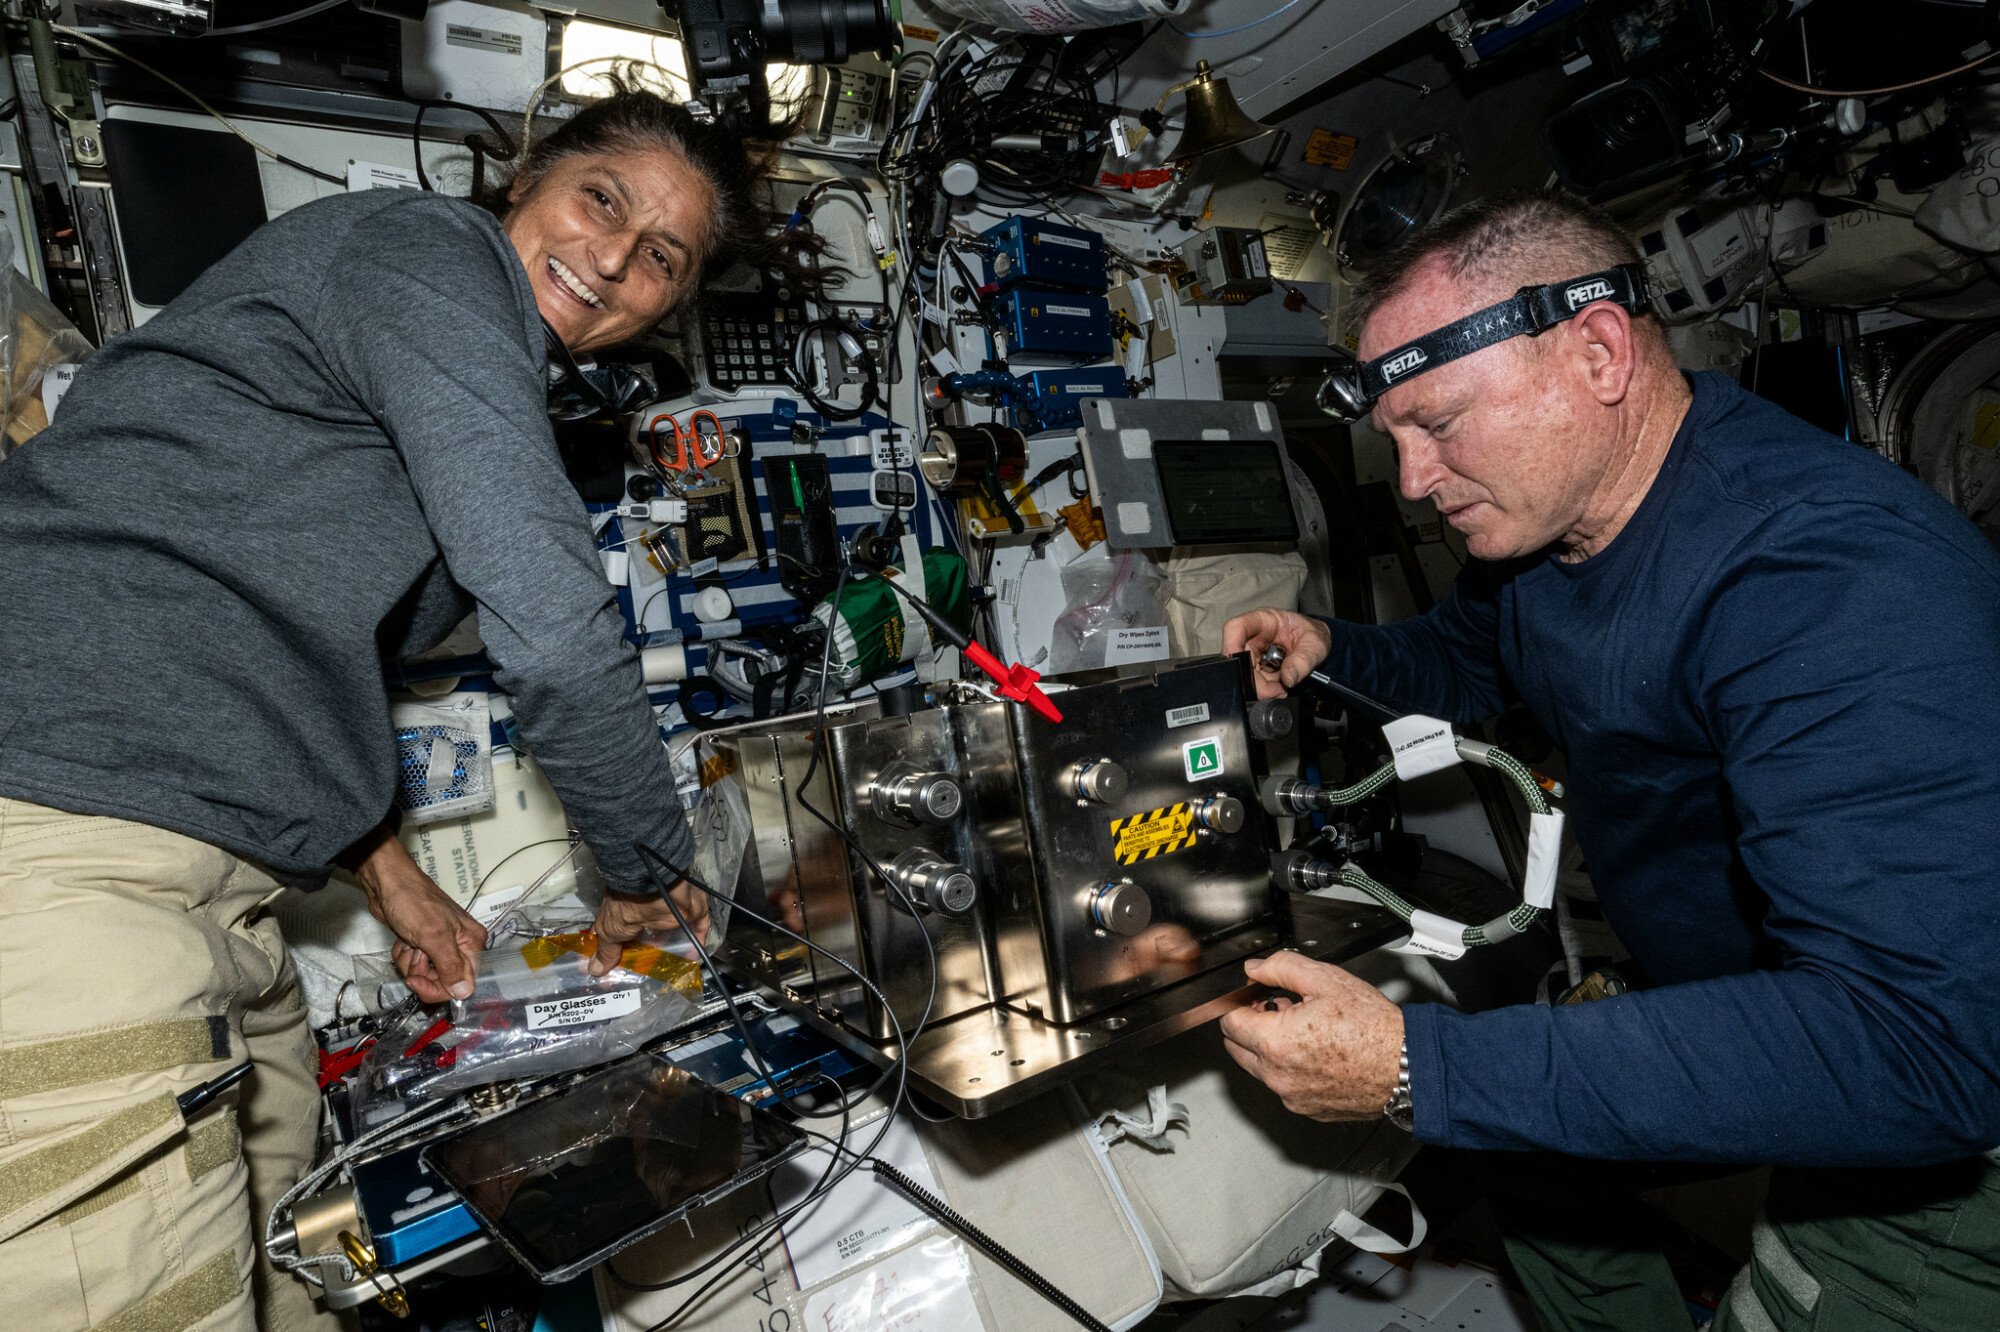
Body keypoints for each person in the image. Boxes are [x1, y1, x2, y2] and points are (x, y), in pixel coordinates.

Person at [0, 75, 814, 1330]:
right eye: (601, 201)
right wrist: (643, 868)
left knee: (305, 1281)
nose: (612, 257)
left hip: (221, 895)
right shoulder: (423, 250)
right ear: (524, 180)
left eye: (660, 257)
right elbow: (551, 618)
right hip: (63, 853)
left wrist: (394, 882)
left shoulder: (436, 386)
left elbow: (294, 657)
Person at [1220, 191, 2000, 1330]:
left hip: (1936, 1119)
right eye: (1392, 440)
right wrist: (1334, 651)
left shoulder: (1825, 581)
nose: (1412, 483)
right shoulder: (1550, 533)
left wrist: (1415, 1068)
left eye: (1436, 424)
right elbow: (1468, 659)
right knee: (1518, 1153)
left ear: (1595, 353)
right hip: (1748, 991)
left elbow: (1917, 1050)